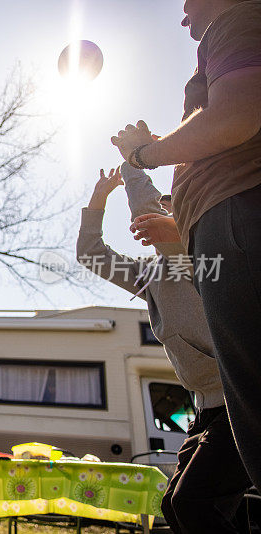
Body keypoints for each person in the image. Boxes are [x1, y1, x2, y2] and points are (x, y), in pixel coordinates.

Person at [110, 0, 261, 488]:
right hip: (208, 406)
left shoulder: (238, 19)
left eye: (186, 2)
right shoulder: (155, 276)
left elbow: (233, 118)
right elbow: (96, 249)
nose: (182, 16)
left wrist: (143, 154)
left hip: (236, 223)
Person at [77, 163, 251, 533]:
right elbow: (90, 254)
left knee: (190, 503)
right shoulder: (150, 273)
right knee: (181, 507)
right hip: (206, 408)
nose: (159, 215)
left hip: (242, 399)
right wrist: (98, 199)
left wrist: (132, 162)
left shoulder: (206, 258)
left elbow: (152, 216)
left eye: (170, 209)